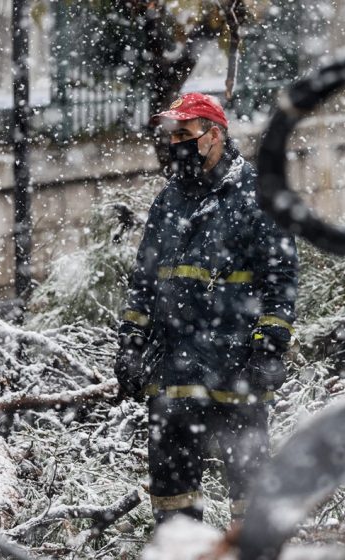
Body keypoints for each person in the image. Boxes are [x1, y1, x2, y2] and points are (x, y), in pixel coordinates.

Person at [114, 92, 298, 524]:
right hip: (173, 373)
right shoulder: (168, 202)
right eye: (172, 134)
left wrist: (270, 347)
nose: (176, 142)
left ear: (214, 136)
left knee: (250, 492)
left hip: (237, 369)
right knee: (172, 494)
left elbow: (281, 279)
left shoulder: (258, 196)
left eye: (186, 133)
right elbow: (143, 282)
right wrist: (131, 342)